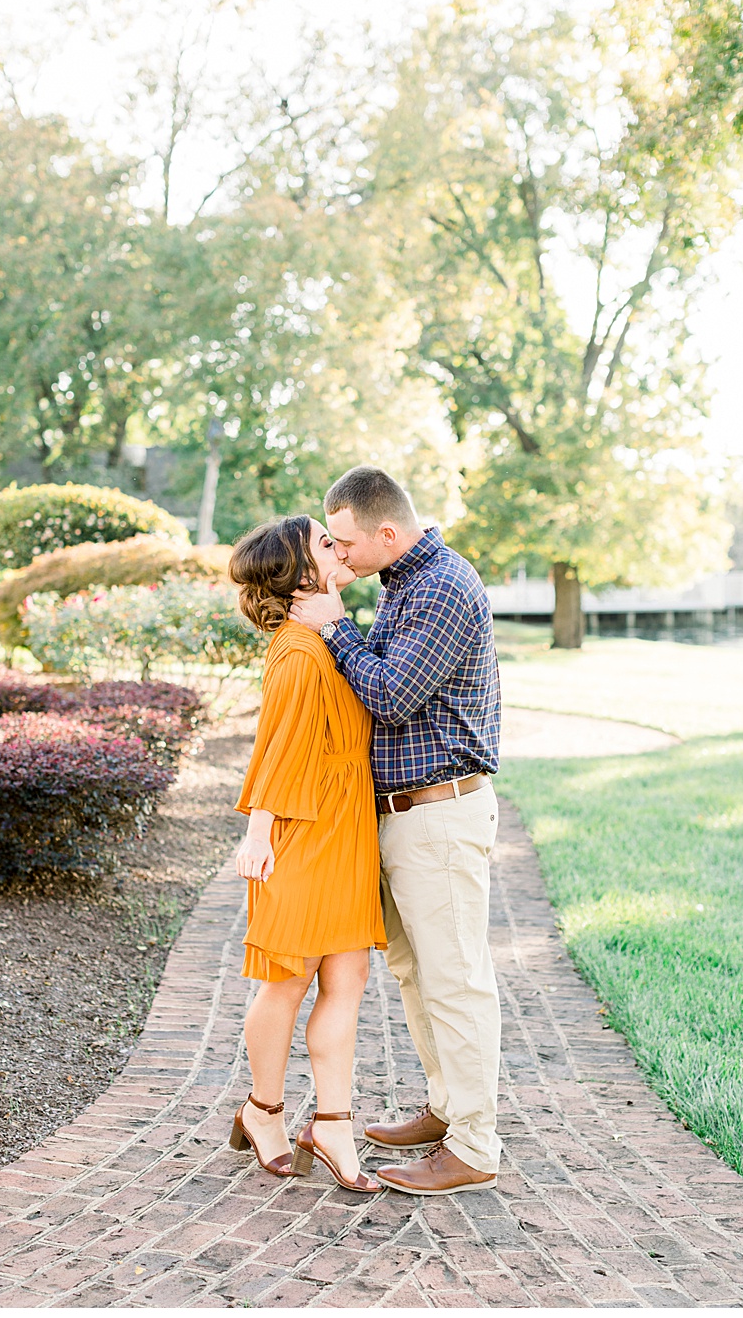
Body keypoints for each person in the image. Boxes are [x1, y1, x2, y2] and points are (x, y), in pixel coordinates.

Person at [287, 465, 504, 1196]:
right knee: (419, 975)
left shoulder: (441, 585)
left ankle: (474, 1145)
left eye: (344, 543)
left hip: (438, 812)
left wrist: (334, 626)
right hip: (406, 815)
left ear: (387, 532)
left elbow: (393, 693)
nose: (338, 556)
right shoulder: (405, 583)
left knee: (456, 982)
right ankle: (446, 1110)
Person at [227, 515, 386, 1195]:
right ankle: (263, 1110)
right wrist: (260, 829)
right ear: (300, 577)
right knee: (289, 981)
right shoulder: (298, 649)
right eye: (327, 543)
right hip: (303, 828)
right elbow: (280, 743)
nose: (340, 548)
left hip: (347, 828)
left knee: (347, 980)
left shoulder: (330, 637)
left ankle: (334, 1124)